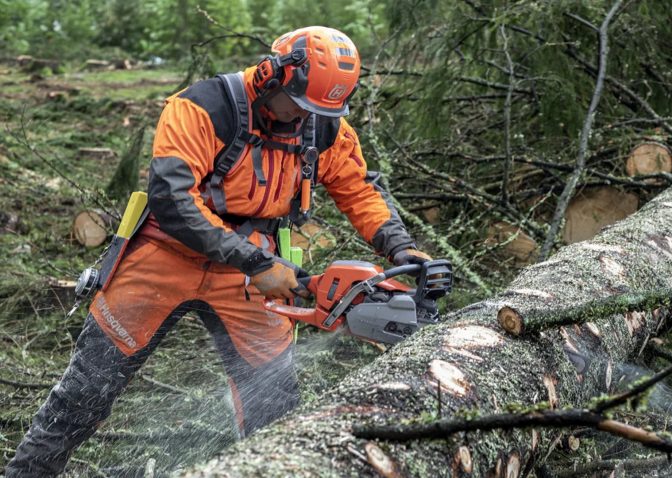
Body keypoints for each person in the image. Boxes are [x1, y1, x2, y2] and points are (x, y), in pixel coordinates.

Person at [5, 26, 432, 477]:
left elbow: (358, 189)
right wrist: (257, 263)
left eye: (316, 110)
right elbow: (172, 200)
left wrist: (401, 248)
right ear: (272, 75)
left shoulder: (323, 126)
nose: (302, 117)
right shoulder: (203, 107)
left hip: (249, 269)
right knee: (84, 392)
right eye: (297, 104)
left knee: (274, 403)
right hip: (165, 255)